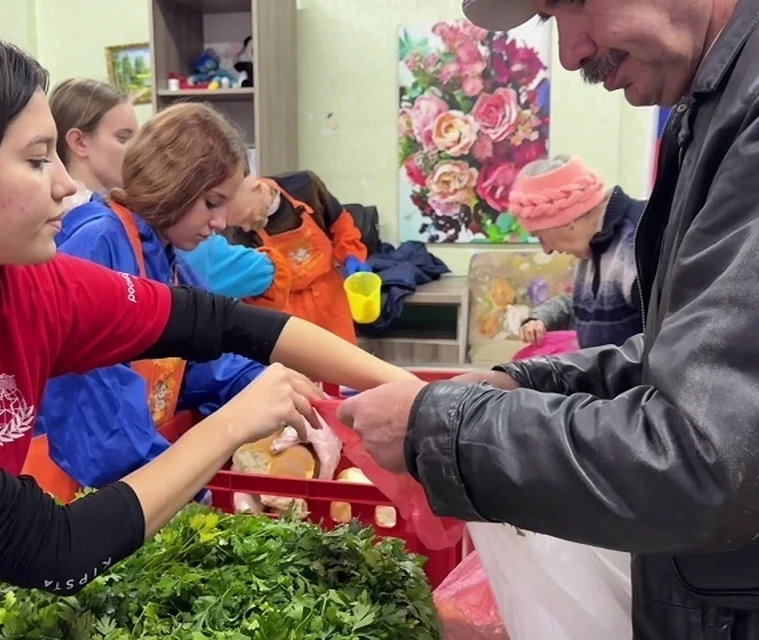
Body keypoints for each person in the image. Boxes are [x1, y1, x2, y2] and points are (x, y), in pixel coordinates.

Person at [0, 22, 419, 640]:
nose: (67, 185)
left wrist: (418, 396)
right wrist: (235, 423)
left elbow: (221, 323)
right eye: (38, 160)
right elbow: (55, 551)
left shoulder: (24, 286)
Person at [343, 0, 759, 637]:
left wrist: (442, 427)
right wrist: (527, 385)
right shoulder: (711, 107)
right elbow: (680, 361)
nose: (569, 53)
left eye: (572, 1)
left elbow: (704, 459)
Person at [24, 96, 294, 502]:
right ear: (175, 183)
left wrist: (272, 389)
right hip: (71, 493)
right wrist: (187, 495)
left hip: (133, 481)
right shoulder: (98, 243)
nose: (220, 224)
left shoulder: (168, 262)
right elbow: (96, 413)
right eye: (211, 203)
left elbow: (208, 361)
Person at [181, 170, 371, 344]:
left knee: (344, 369)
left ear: (257, 188)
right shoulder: (231, 232)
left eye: (247, 218)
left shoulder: (305, 185)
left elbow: (341, 224)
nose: (246, 228)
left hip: (332, 300)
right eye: (240, 225)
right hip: (287, 313)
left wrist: (352, 255)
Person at [510, 155, 645, 349]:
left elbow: (666, 339)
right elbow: (581, 307)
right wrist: (542, 319)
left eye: (540, 236)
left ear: (566, 220)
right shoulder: (593, 246)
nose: (547, 250)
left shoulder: (637, 239)